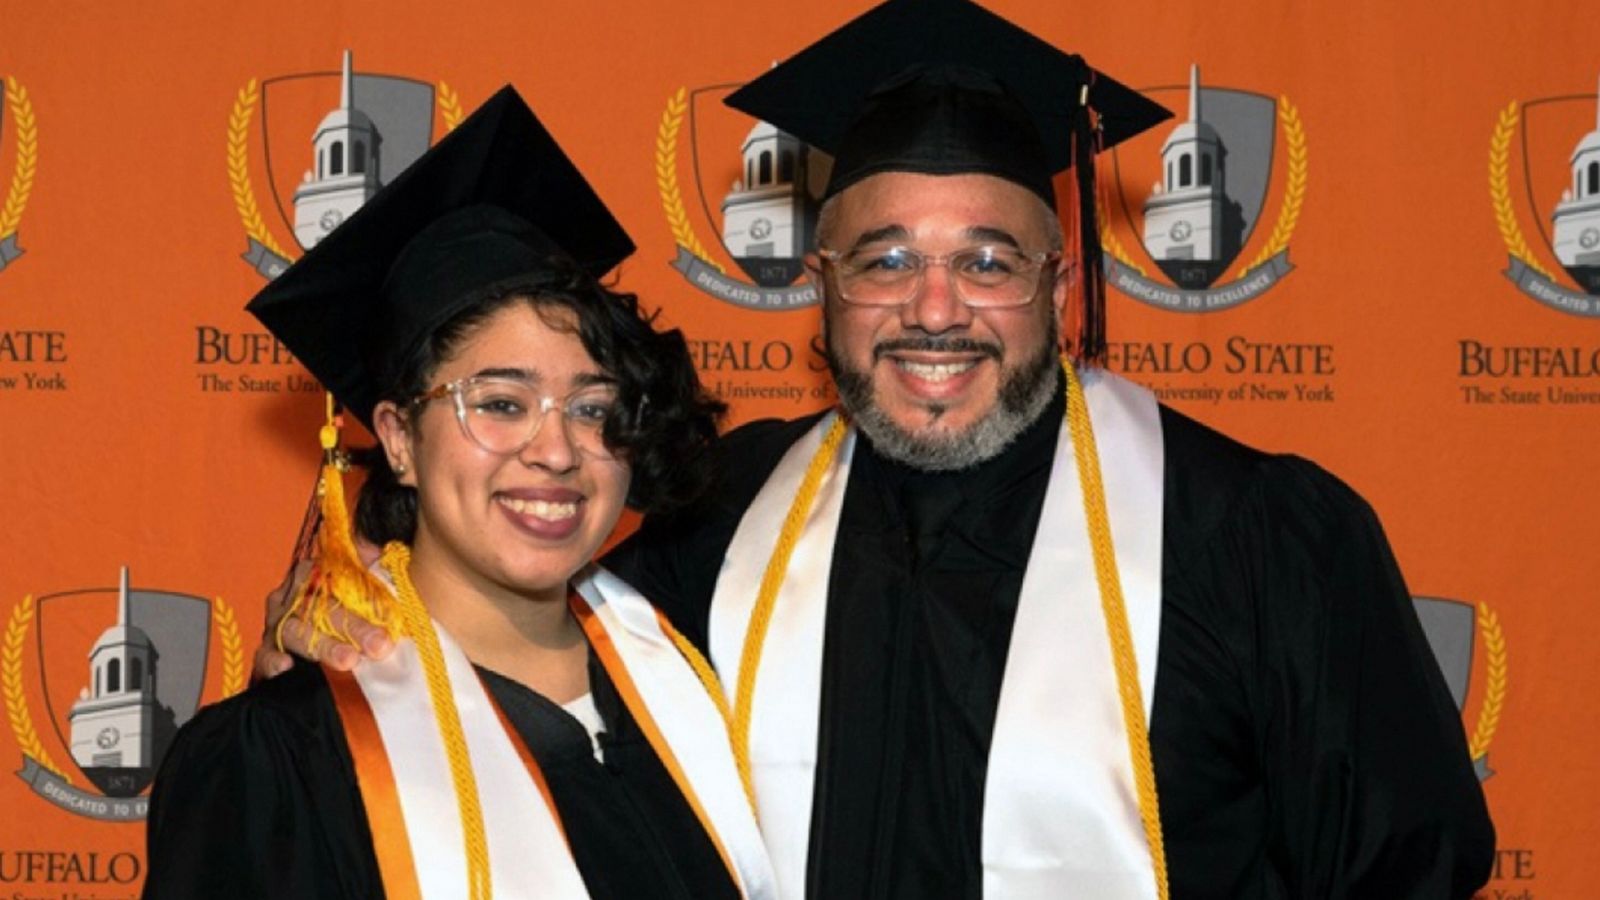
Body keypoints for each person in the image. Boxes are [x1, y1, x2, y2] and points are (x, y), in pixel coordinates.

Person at [259, 2, 1495, 897]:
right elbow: (510, 622)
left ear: (1064, 294)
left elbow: (1408, 874)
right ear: (821, 288)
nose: (936, 308)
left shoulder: (1264, 535)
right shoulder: (715, 516)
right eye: (888, 259)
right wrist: (346, 610)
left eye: (989, 261)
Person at [147, 87, 775, 900]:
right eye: (500, 404)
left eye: (592, 409)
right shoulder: (290, 753)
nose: (555, 451)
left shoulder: (699, 683)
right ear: (400, 439)